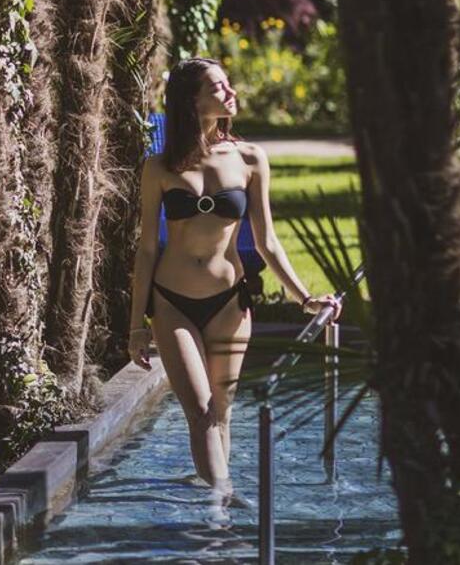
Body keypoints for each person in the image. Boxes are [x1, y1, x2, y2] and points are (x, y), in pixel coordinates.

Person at [127, 57, 341, 496]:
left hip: (230, 303)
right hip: (172, 304)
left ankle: (213, 509)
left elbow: (268, 242)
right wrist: (135, 325)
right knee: (201, 410)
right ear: (192, 102)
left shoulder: (249, 158)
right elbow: (148, 248)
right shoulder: (158, 167)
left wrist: (304, 298)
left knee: (221, 412)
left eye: (228, 85)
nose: (231, 93)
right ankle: (223, 501)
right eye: (218, 88)